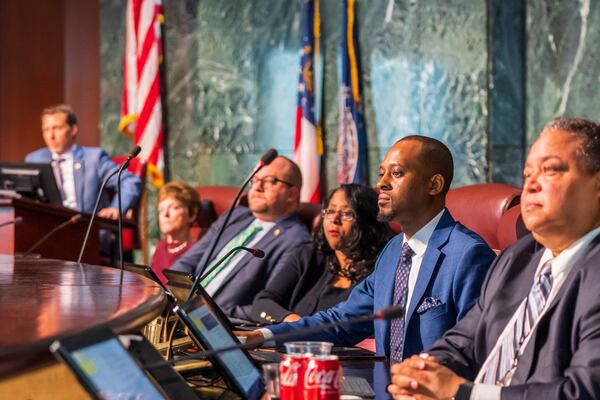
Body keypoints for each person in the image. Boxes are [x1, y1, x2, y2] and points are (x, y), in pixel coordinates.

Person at [388, 117, 600, 400]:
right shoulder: (518, 258)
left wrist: (465, 393)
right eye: (527, 175)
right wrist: (424, 372)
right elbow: (462, 341)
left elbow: (584, 392)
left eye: (550, 170)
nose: (531, 185)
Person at [246, 135, 496, 361]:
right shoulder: (393, 252)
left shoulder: (468, 254)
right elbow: (342, 321)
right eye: (381, 174)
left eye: (396, 174)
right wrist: (261, 336)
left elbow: (473, 347)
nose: (381, 185)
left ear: (434, 185)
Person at [170, 156, 312, 320]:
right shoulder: (234, 216)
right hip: (180, 310)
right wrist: (170, 294)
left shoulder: (296, 240)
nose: (257, 187)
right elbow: (187, 262)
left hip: (220, 324)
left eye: (269, 181)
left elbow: (269, 303)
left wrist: (212, 313)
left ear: (292, 194)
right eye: (255, 179)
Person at [251, 183, 393, 323]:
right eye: (330, 211)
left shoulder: (382, 270)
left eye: (346, 213)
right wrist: (295, 323)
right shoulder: (308, 255)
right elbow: (263, 302)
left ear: (368, 221)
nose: (334, 220)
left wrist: (303, 330)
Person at [25, 104, 141, 219]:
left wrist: (116, 208)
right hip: (49, 229)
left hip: (89, 229)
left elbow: (130, 181)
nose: (51, 136)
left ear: (73, 130)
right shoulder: (34, 160)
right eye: (46, 130)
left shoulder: (93, 158)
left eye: (57, 128)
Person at [150, 181, 201, 285]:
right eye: (161, 210)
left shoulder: (196, 250)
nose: (165, 214)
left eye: (174, 207)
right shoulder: (161, 245)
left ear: (192, 215)